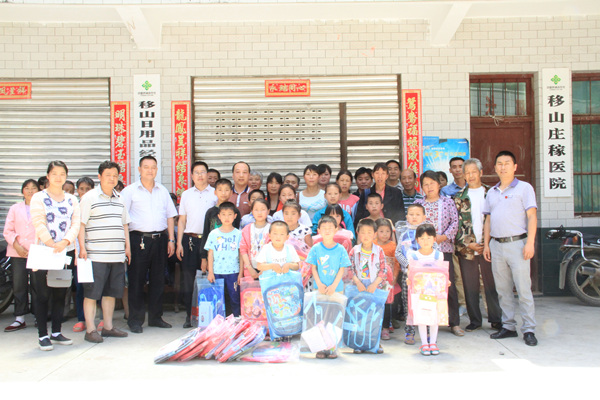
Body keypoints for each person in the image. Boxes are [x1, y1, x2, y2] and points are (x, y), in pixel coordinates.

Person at [483, 150, 538, 346]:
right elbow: (488, 219)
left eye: (507, 163)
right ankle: (508, 326)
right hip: (497, 245)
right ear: (495, 167)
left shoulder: (524, 188)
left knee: (523, 290)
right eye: (500, 163)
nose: (503, 167)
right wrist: (486, 244)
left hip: (518, 244)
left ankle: (529, 329)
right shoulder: (491, 192)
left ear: (515, 167)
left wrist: (530, 242)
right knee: (503, 289)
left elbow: (532, 216)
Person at [120, 155, 177, 333]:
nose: (150, 170)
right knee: (136, 280)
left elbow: (170, 216)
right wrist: (126, 245)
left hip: (160, 240)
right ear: (139, 169)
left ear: (157, 169)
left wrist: (171, 240)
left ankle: (155, 317)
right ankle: (135, 320)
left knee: (158, 280)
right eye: (146, 167)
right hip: (138, 240)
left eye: (153, 167)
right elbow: (123, 219)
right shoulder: (130, 191)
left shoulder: (162, 191)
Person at [77, 161, 131, 343]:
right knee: (91, 294)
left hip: (116, 255)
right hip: (95, 255)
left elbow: (125, 224)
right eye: (108, 175)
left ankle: (107, 327)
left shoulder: (120, 198)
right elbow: (81, 224)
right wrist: (82, 248)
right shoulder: (89, 197)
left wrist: (127, 248)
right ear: (99, 177)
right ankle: (90, 330)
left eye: (115, 175)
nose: (112, 178)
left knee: (110, 293)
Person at [30, 160, 80, 351]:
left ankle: (57, 332)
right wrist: (52, 244)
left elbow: (75, 223)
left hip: (65, 251)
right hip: (44, 250)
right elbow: (38, 222)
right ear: (48, 176)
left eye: (62, 174)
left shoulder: (71, 199)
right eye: (55, 174)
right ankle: (42, 335)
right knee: (42, 294)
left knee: (60, 292)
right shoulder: (39, 197)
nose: (58, 177)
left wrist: (65, 242)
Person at [454, 158, 502, 332]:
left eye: (474, 172)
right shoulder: (459, 197)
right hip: (468, 249)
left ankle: (496, 319)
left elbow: (500, 218)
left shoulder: (493, 193)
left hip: (490, 246)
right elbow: (455, 225)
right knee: (470, 285)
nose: (470, 175)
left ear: (481, 172)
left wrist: (487, 242)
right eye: (467, 173)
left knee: (491, 284)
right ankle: (475, 320)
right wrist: (469, 243)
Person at [415, 170, 462, 336]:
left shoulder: (448, 202)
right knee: (425, 287)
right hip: (423, 252)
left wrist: (443, 237)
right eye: (425, 184)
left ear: (439, 185)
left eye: (432, 183)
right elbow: (413, 223)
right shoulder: (418, 203)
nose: (429, 187)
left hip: (443, 249)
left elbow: (454, 223)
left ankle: (454, 323)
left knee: (448, 285)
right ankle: (426, 322)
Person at [176, 161, 218, 328]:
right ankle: (190, 315)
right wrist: (179, 243)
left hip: (209, 242)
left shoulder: (215, 194)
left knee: (210, 277)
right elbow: (182, 220)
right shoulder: (186, 194)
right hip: (190, 240)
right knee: (188, 280)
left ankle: (211, 314)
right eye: (196, 172)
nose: (200, 175)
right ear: (192, 175)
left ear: (208, 174)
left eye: (203, 172)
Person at [306, 215, 351, 359]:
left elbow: (342, 269)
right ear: (318, 230)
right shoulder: (316, 248)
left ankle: (333, 348)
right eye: (323, 228)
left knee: (334, 318)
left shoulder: (341, 249)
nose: (327, 231)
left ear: (336, 229)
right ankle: (320, 347)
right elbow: (313, 268)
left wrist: (334, 285)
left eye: (330, 228)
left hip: (336, 289)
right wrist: (319, 284)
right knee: (320, 318)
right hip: (319, 288)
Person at [3, 179, 39, 332]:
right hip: (17, 252)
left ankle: (38, 315)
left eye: (33, 188)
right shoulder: (15, 208)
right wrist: (17, 246)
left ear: (39, 191)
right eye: (27, 188)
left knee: (37, 285)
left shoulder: (42, 207)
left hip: (36, 252)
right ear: (22, 191)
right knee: (19, 284)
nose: (30, 191)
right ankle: (20, 318)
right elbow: (8, 230)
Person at [349, 218, 389, 350]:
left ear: (375, 234)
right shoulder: (354, 250)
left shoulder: (379, 251)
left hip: (374, 287)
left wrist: (375, 284)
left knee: (374, 315)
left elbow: (383, 269)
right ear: (358, 233)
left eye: (369, 232)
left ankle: (374, 343)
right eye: (363, 232)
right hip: (358, 287)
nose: (366, 235)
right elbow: (350, 268)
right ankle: (358, 342)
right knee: (358, 315)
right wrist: (357, 282)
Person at [406, 223, 445, 356]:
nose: (425, 241)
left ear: (434, 239)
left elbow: (442, 272)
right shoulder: (413, 256)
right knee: (421, 317)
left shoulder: (438, 255)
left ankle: (433, 342)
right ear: (417, 240)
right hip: (419, 292)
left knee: (435, 317)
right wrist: (408, 279)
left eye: (429, 238)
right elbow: (410, 271)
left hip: (435, 292)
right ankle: (424, 343)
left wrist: (446, 280)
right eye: (422, 238)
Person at [395, 203, 427, 345]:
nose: (414, 217)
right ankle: (409, 331)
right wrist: (408, 265)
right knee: (408, 304)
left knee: (425, 302)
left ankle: (427, 330)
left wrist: (424, 265)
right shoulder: (404, 234)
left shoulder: (428, 233)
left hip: (425, 276)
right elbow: (398, 252)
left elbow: (435, 250)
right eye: (411, 215)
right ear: (407, 217)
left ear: (424, 217)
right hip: (408, 275)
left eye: (418, 215)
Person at [204, 202, 243, 317]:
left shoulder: (238, 234)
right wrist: (210, 272)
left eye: (230, 214)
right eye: (224, 214)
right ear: (219, 216)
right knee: (217, 299)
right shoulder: (214, 234)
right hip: (217, 271)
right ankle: (218, 322)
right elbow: (210, 254)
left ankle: (236, 320)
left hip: (233, 271)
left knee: (235, 298)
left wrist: (240, 273)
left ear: (235, 216)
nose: (227, 217)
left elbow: (241, 254)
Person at [199, 179, 241, 270]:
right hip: (214, 256)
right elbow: (205, 234)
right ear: (215, 192)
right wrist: (204, 258)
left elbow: (238, 235)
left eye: (226, 190)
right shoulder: (210, 212)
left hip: (231, 257)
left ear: (231, 193)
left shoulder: (235, 212)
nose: (223, 193)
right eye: (220, 190)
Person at [72, 176, 96, 333]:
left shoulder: (96, 205)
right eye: (82, 189)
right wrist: (77, 250)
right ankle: (82, 319)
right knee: (81, 286)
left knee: (98, 286)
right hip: (79, 253)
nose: (85, 192)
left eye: (88, 189)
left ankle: (99, 318)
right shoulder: (73, 207)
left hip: (96, 252)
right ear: (77, 190)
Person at [240, 199, 271, 279]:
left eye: (263, 209)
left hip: (268, 270)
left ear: (268, 211)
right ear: (252, 211)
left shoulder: (272, 229)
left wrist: (265, 268)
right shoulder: (246, 229)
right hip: (250, 270)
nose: (259, 213)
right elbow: (243, 250)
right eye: (256, 210)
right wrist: (249, 268)